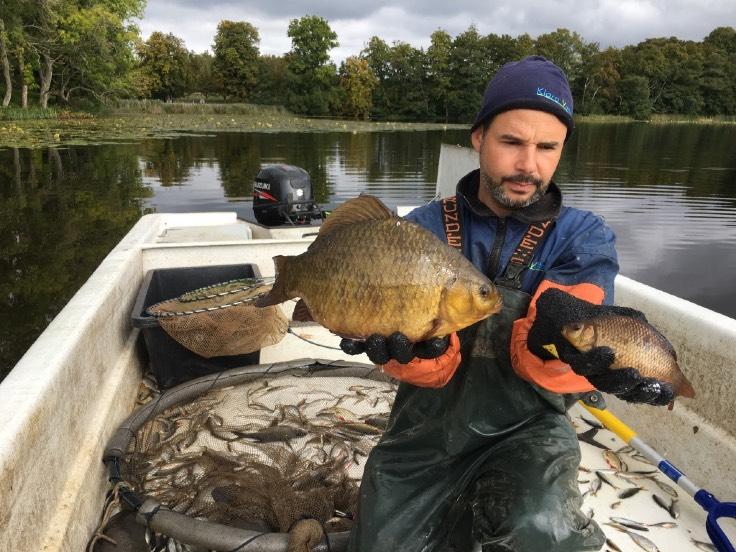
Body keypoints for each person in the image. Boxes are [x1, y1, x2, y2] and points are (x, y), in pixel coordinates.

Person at [340, 55, 675, 552]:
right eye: (512, 142)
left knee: (541, 529)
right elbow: (431, 369)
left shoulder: (582, 236)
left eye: (547, 147)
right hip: (425, 432)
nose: (528, 165)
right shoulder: (420, 231)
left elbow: (571, 338)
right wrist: (414, 357)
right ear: (478, 137)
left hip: (529, 431)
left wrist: (558, 345)